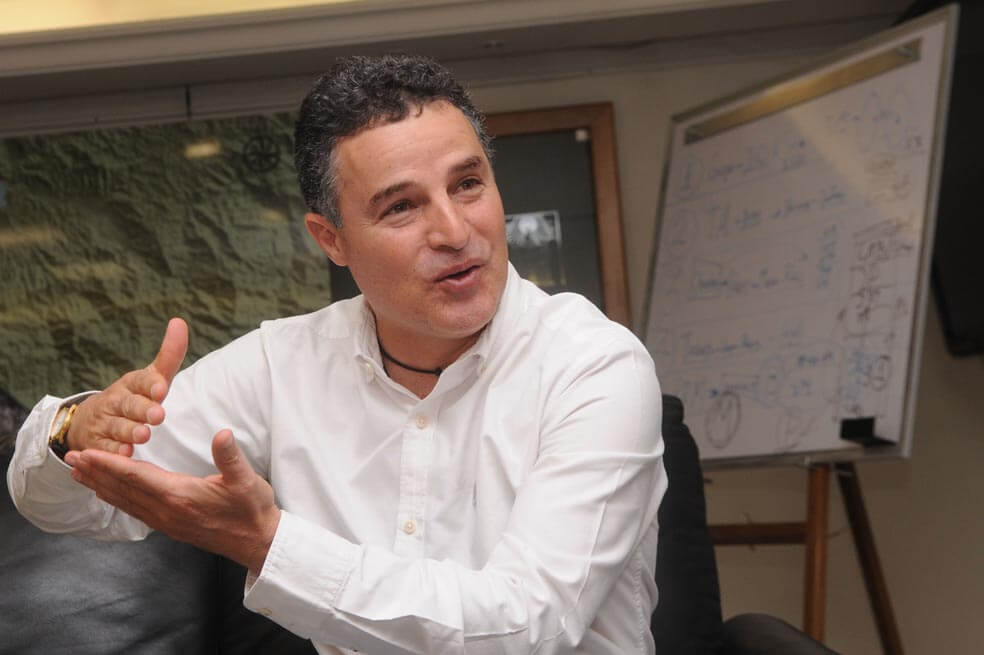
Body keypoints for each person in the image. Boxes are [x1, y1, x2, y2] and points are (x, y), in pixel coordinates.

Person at [8, 55, 665, 655]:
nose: (455, 230)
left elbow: (525, 626)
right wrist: (75, 429)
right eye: (402, 206)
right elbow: (67, 506)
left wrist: (267, 544)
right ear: (332, 240)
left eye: (467, 184)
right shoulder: (283, 364)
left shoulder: (596, 365)